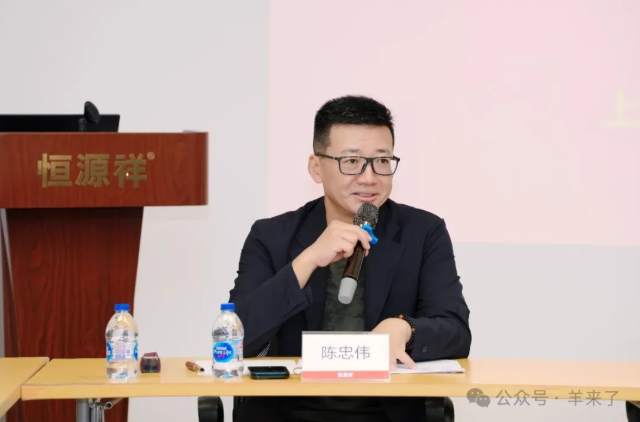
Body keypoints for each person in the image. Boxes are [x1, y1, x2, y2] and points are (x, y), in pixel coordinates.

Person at [229, 95, 471, 422]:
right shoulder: (271, 235)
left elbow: (456, 332)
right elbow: (235, 338)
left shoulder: (423, 232)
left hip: (387, 414)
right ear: (316, 167)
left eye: (382, 161)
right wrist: (308, 259)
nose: (369, 178)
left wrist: (406, 329)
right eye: (352, 161)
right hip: (290, 412)